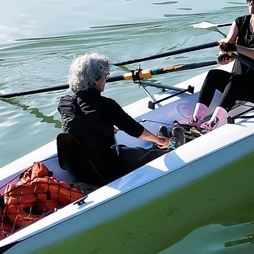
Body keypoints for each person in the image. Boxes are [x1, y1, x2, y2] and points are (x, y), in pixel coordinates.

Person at [57, 53, 171, 187]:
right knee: (148, 155)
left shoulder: (64, 103)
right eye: (105, 76)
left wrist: (104, 126)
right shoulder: (105, 105)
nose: (106, 80)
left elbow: (81, 123)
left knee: (122, 148)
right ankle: (165, 146)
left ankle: (155, 146)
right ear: (95, 79)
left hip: (80, 171)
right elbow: (135, 130)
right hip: (105, 172)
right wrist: (159, 139)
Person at [191, 0, 254, 122]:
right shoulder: (240, 22)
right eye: (249, 0)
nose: (251, 3)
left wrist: (236, 48)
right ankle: (196, 120)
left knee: (235, 80)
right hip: (241, 83)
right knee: (213, 75)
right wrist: (224, 53)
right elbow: (228, 46)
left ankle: (212, 123)